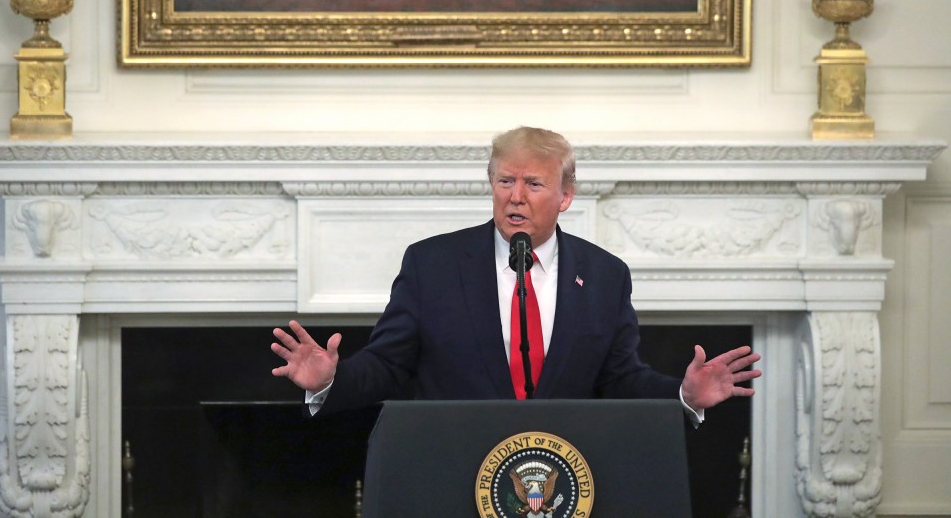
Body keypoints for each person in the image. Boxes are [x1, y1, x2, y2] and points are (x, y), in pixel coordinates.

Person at [271, 127, 760, 420]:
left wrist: (682, 394)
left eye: (533, 183)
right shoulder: (432, 265)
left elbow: (620, 379)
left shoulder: (605, 275)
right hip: (457, 466)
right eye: (505, 180)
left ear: (565, 196)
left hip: (566, 474)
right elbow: (389, 366)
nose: (515, 196)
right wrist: (329, 381)